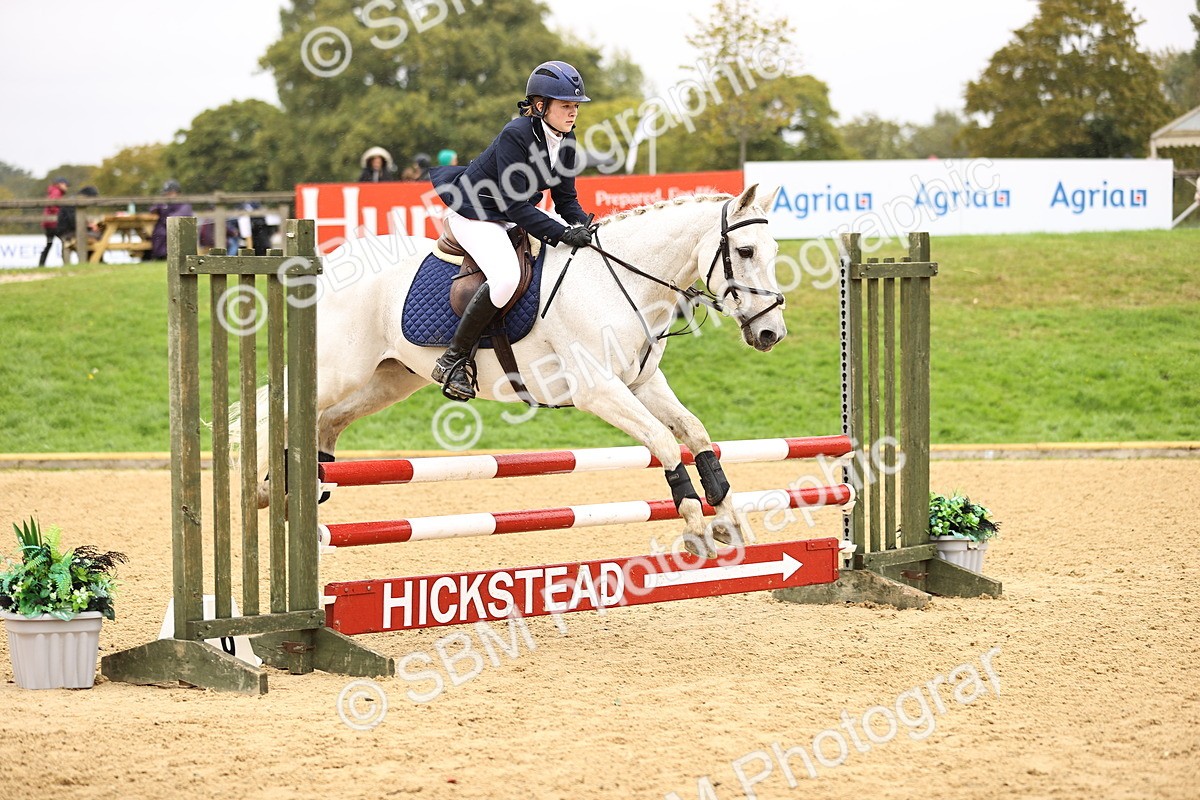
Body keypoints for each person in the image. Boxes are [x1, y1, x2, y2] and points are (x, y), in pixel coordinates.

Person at [428, 60, 593, 401]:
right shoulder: (516, 134)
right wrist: (562, 234)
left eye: (575, 106)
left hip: (508, 215)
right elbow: (519, 206)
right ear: (539, 105)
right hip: (475, 213)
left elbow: (565, 200)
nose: (573, 112)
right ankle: (453, 359)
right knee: (506, 277)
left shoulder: (567, 139)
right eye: (565, 105)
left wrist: (586, 226)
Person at [149, 180, 194, 260]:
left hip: (177, 229)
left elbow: (179, 216)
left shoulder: (183, 204)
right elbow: (153, 209)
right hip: (162, 228)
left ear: (177, 193)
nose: (168, 196)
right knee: (157, 233)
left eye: (170, 193)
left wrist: (166, 219)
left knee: (166, 234)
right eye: (166, 193)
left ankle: (168, 255)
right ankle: (158, 256)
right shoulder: (164, 203)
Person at [57, 186, 100, 262]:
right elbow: (74, 222)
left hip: (66, 230)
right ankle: (94, 260)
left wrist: (88, 225)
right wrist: (89, 227)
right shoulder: (74, 203)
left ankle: (93, 260)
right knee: (96, 236)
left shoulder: (73, 200)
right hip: (68, 232)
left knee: (94, 235)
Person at [38, 176, 69, 267]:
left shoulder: (53, 191)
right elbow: (53, 205)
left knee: (49, 244)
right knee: (65, 241)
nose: (67, 187)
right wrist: (61, 213)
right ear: (60, 184)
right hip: (54, 224)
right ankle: (66, 263)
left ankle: (41, 264)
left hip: (48, 224)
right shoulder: (56, 192)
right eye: (66, 185)